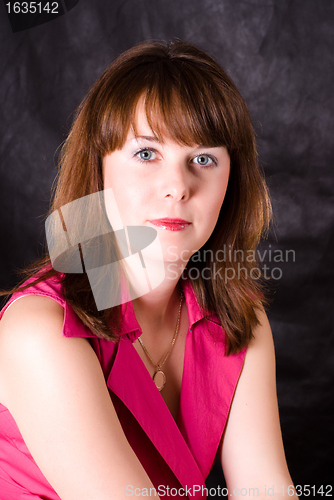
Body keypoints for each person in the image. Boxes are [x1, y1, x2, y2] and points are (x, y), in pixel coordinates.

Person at [0, 40, 298, 500]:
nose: (177, 186)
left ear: (230, 184)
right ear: (99, 170)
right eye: (146, 153)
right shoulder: (38, 326)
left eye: (203, 159)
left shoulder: (242, 321)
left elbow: (268, 493)